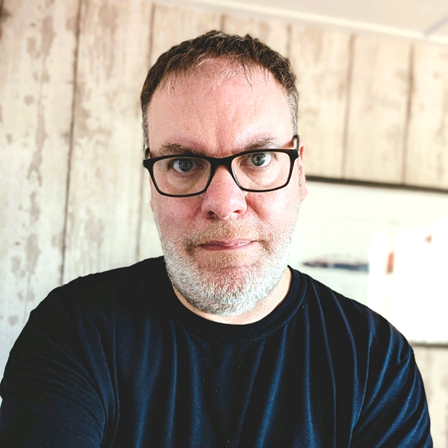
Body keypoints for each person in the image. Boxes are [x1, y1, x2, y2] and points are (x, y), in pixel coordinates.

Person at [0, 30, 432, 447]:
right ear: (152, 184)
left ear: (299, 174)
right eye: (184, 164)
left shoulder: (375, 359)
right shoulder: (75, 329)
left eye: (258, 158)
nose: (224, 204)